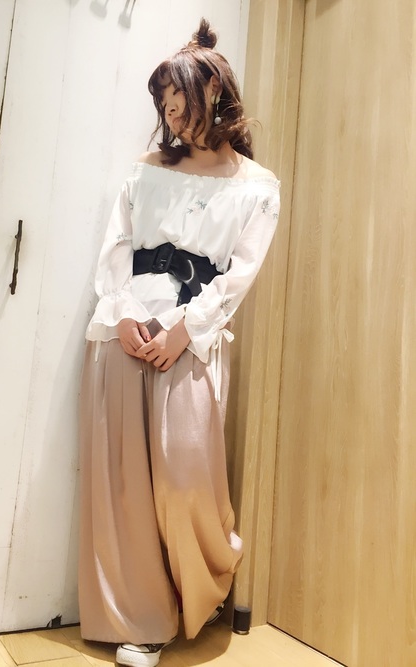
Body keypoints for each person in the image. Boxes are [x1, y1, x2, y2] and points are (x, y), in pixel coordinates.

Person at [78, 18, 280, 667]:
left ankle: (209, 577)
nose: (171, 118)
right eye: (164, 107)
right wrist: (124, 314)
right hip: (124, 331)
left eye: (180, 103)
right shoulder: (144, 172)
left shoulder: (258, 186)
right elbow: (115, 246)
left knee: (185, 479)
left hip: (191, 338)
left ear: (215, 96)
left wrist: (185, 328)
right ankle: (143, 622)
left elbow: (240, 274)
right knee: (125, 488)